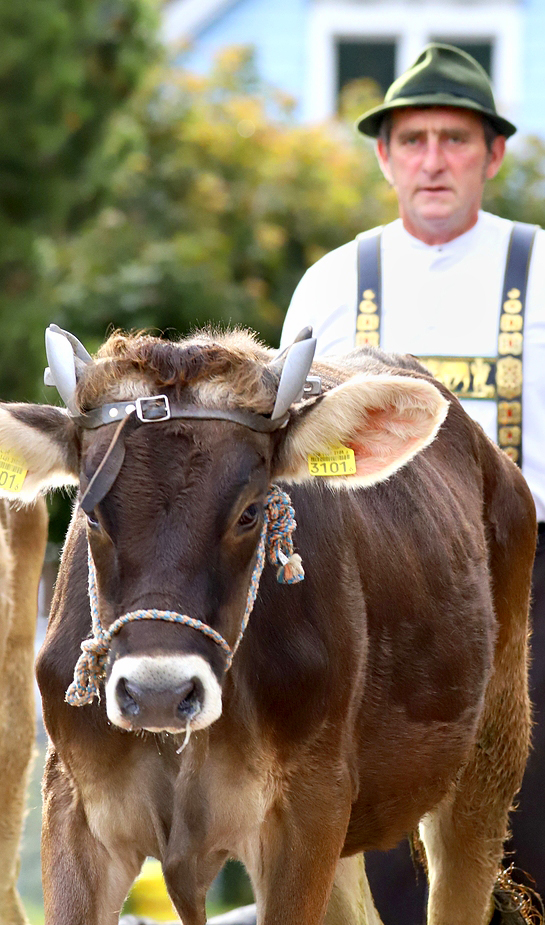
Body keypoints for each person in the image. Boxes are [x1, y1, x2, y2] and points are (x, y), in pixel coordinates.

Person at [281, 42, 545, 925]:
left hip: (525, 585)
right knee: (373, 815)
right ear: (384, 155)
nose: (433, 160)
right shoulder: (329, 283)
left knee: (530, 818)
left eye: (455, 139)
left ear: (493, 154)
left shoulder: (541, 273)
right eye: (414, 139)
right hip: (373, 598)